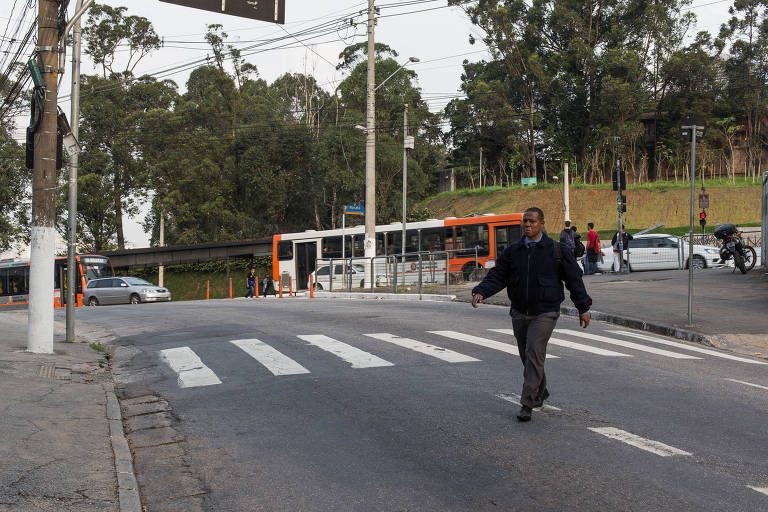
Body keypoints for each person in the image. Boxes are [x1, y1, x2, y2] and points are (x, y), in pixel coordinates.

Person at [471, 207, 592, 422]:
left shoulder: (557, 250)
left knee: (534, 352)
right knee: (526, 356)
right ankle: (540, 390)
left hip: (546, 311)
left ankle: (527, 402)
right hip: (519, 311)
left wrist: (583, 308)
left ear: (542, 224)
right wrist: (480, 292)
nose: (527, 225)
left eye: (532, 221)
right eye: (525, 221)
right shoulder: (513, 251)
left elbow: (574, 281)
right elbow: (498, 276)